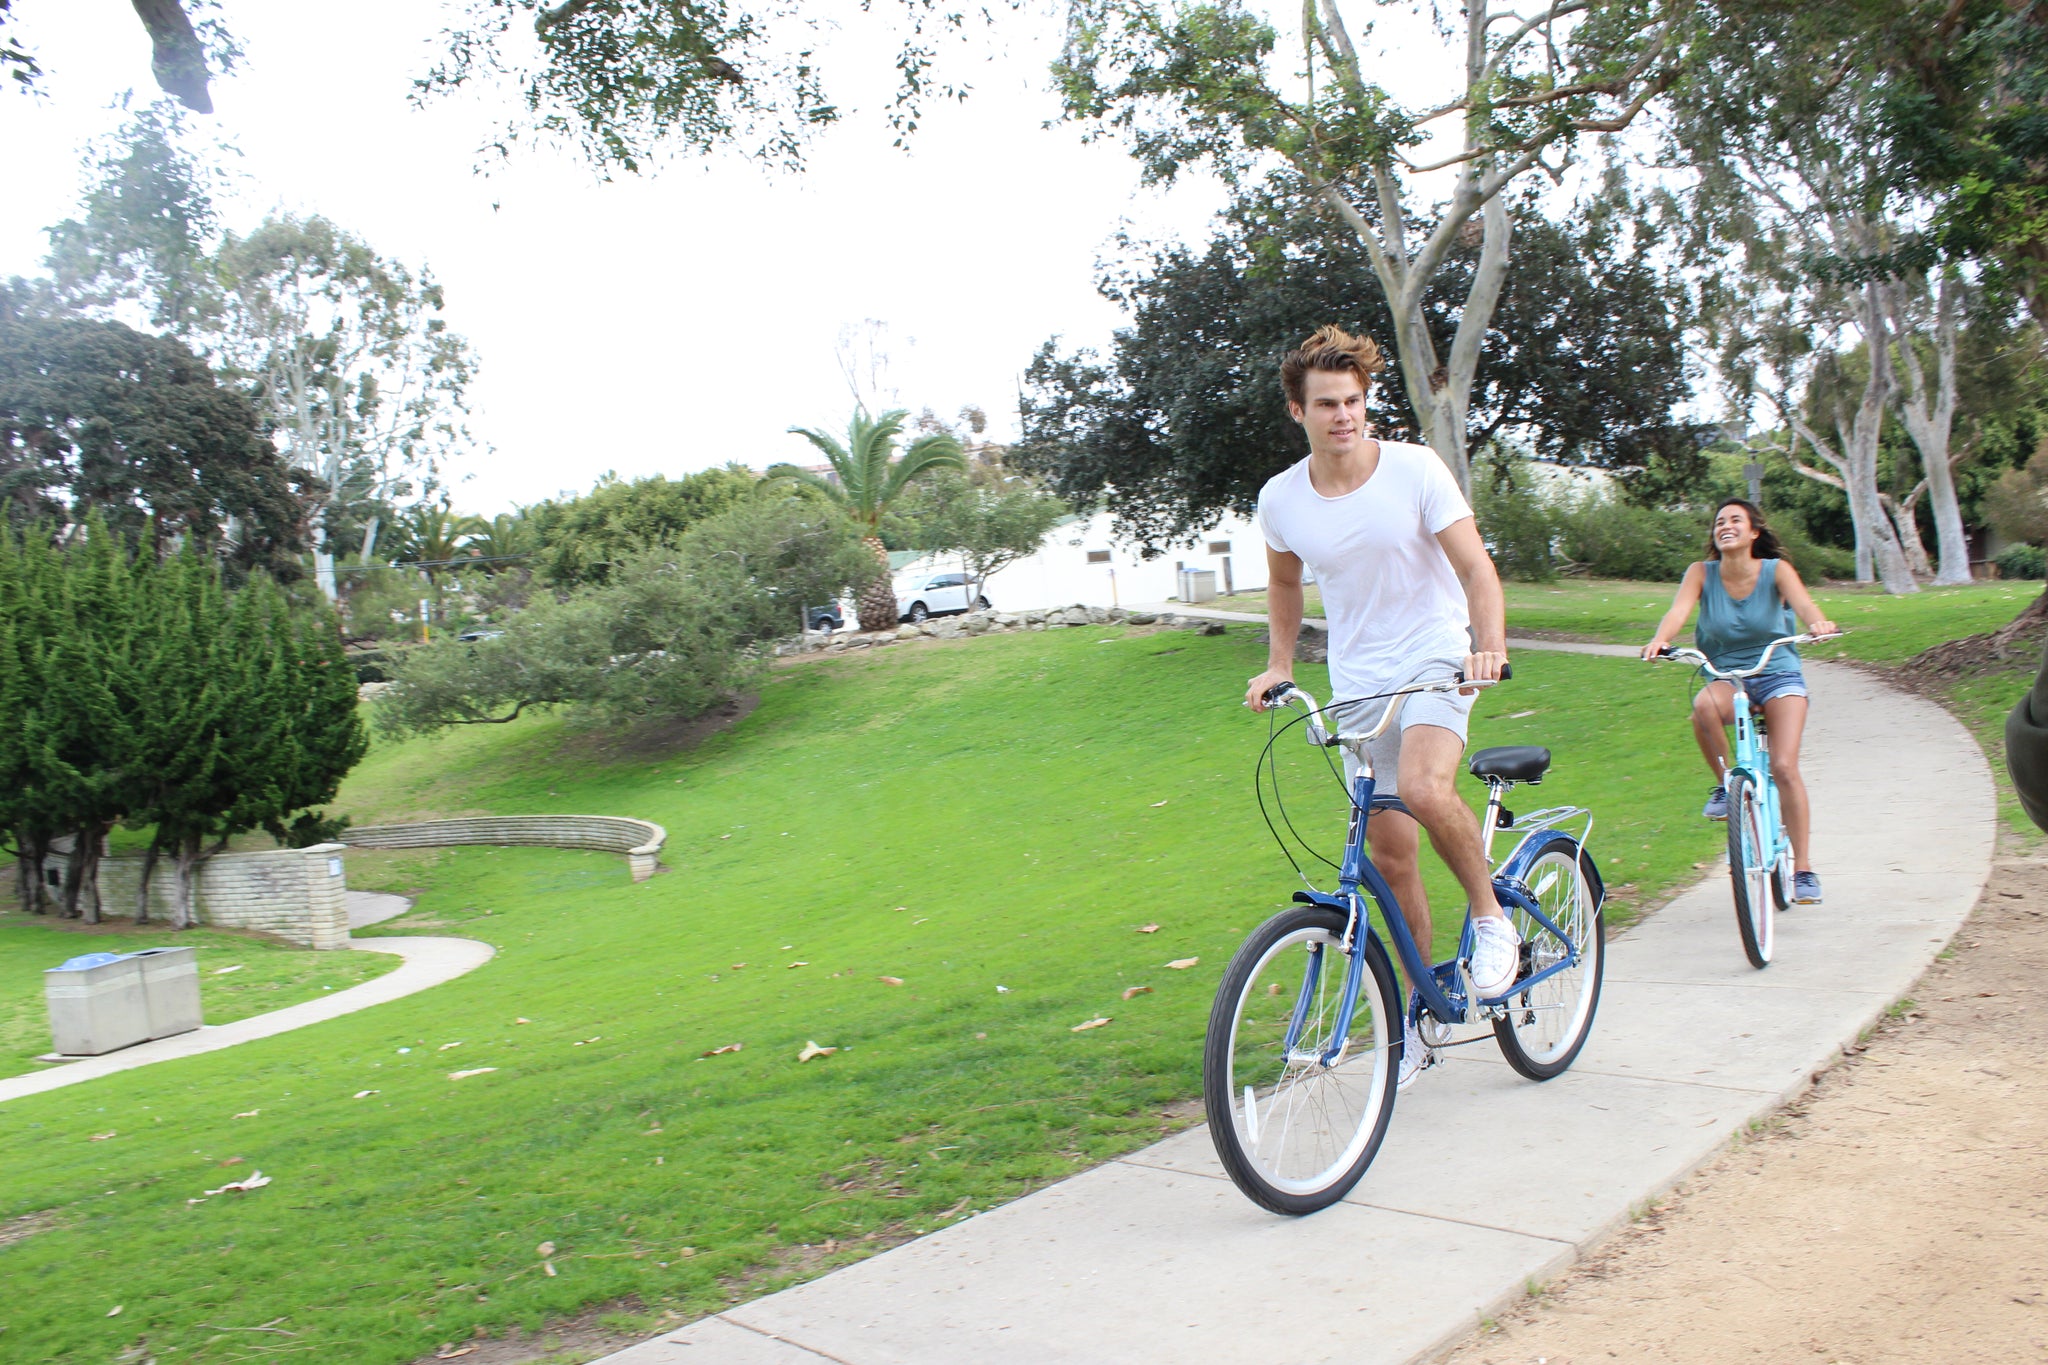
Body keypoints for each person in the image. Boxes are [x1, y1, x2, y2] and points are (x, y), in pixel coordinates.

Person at [1244, 324, 1511, 1089]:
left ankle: (1491, 919)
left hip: (1435, 653)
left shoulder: (1414, 470)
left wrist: (1484, 644)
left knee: (1427, 789)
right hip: (1360, 680)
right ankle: (1423, 1012)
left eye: (1355, 400)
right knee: (1391, 858)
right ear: (1299, 410)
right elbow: (1287, 583)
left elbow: (1476, 568)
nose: (1344, 415)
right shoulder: (1282, 499)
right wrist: (1279, 663)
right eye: (1327, 403)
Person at [1639, 498, 1838, 904]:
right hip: (1727, 676)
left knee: (1784, 767)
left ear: (1754, 532)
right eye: (1719, 521)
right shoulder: (1701, 573)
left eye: (1735, 520)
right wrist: (1662, 639)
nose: (1725, 526)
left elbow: (1803, 604)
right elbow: (1678, 611)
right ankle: (1725, 785)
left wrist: (1817, 623)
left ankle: (1802, 870)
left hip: (1779, 673)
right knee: (1703, 707)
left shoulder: (1776, 570)